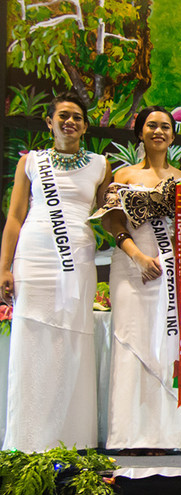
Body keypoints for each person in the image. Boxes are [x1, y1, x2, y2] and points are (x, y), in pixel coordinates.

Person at [0, 92, 111, 452]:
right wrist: (5, 267)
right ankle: (26, 439)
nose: (70, 122)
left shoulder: (99, 164)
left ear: (85, 126)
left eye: (78, 117)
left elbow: (107, 216)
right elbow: (14, 218)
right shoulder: (31, 163)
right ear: (49, 122)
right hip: (34, 257)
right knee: (31, 339)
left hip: (76, 259)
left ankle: (72, 437)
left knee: (72, 339)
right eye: (63, 116)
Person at [102, 106, 181, 454]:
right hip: (131, 266)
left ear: (172, 135)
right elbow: (110, 222)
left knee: (164, 346)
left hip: (169, 270)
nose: (159, 131)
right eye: (151, 125)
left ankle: (162, 436)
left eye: (165, 126)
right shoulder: (123, 175)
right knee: (131, 344)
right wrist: (138, 257)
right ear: (140, 132)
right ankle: (128, 436)